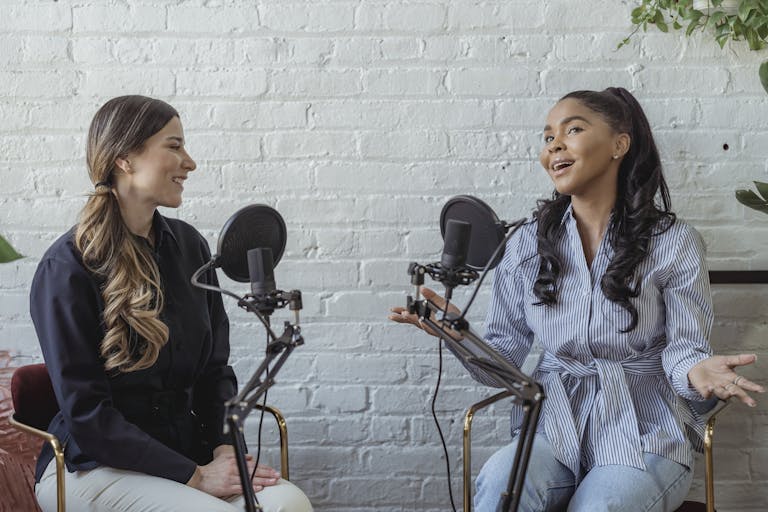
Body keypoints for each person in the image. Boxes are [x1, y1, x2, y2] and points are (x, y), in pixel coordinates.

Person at [390, 87, 764, 511]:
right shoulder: (524, 243)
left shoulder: (673, 242)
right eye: (548, 137)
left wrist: (698, 369)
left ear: (619, 145)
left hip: (644, 428)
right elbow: (504, 364)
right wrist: (458, 334)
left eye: (573, 130)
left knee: (602, 505)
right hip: (553, 424)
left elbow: (683, 347)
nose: (555, 145)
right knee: (498, 485)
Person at [30, 95, 313, 512]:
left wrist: (220, 448)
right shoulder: (67, 267)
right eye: (174, 146)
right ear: (125, 158)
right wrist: (195, 477)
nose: (190, 162)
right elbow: (88, 416)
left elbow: (214, 372)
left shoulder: (190, 248)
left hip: (187, 453)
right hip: (96, 468)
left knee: (289, 503)